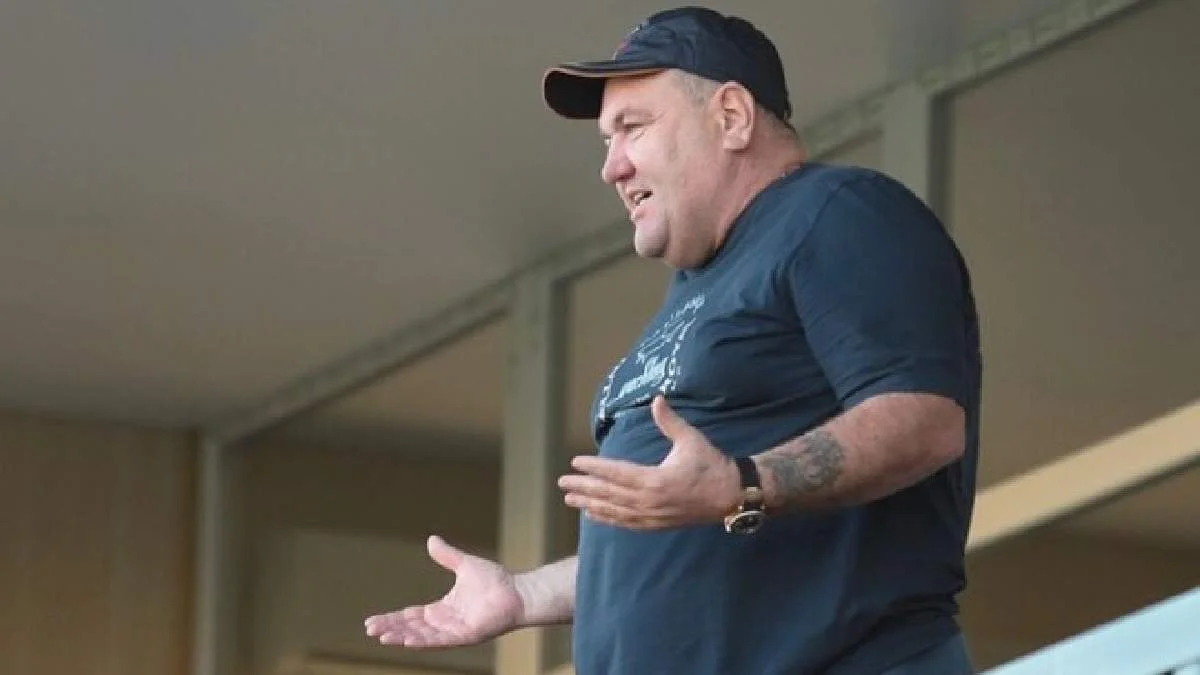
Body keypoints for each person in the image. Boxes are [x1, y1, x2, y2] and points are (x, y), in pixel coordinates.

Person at [365, 7, 982, 674]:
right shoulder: (698, 288)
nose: (612, 167)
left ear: (732, 117)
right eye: (606, 140)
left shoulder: (835, 213)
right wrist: (526, 593)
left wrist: (744, 483)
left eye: (632, 128)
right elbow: (683, 528)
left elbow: (925, 419)